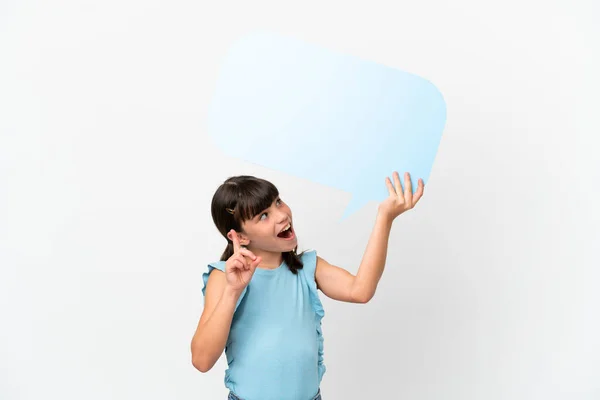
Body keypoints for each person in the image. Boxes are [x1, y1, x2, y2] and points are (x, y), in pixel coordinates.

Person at [191, 171, 424, 400]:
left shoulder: (307, 268)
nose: (281, 215)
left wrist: (385, 217)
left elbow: (360, 290)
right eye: (263, 215)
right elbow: (202, 361)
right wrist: (233, 291)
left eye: (278, 202)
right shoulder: (224, 277)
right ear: (240, 237)